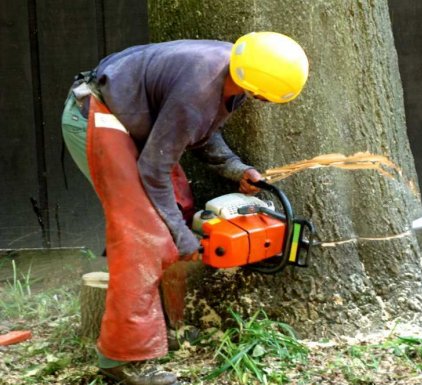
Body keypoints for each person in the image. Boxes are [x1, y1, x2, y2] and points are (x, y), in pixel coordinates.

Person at [61, 31, 309, 385]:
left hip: (130, 117)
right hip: (97, 115)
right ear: (255, 85)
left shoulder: (237, 67)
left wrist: (235, 169)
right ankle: (123, 359)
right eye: (265, 98)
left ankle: (167, 323)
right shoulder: (201, 86)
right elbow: (154, 169)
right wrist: (181, 235)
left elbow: (201, 129)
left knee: (177, 205)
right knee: (144, 233)